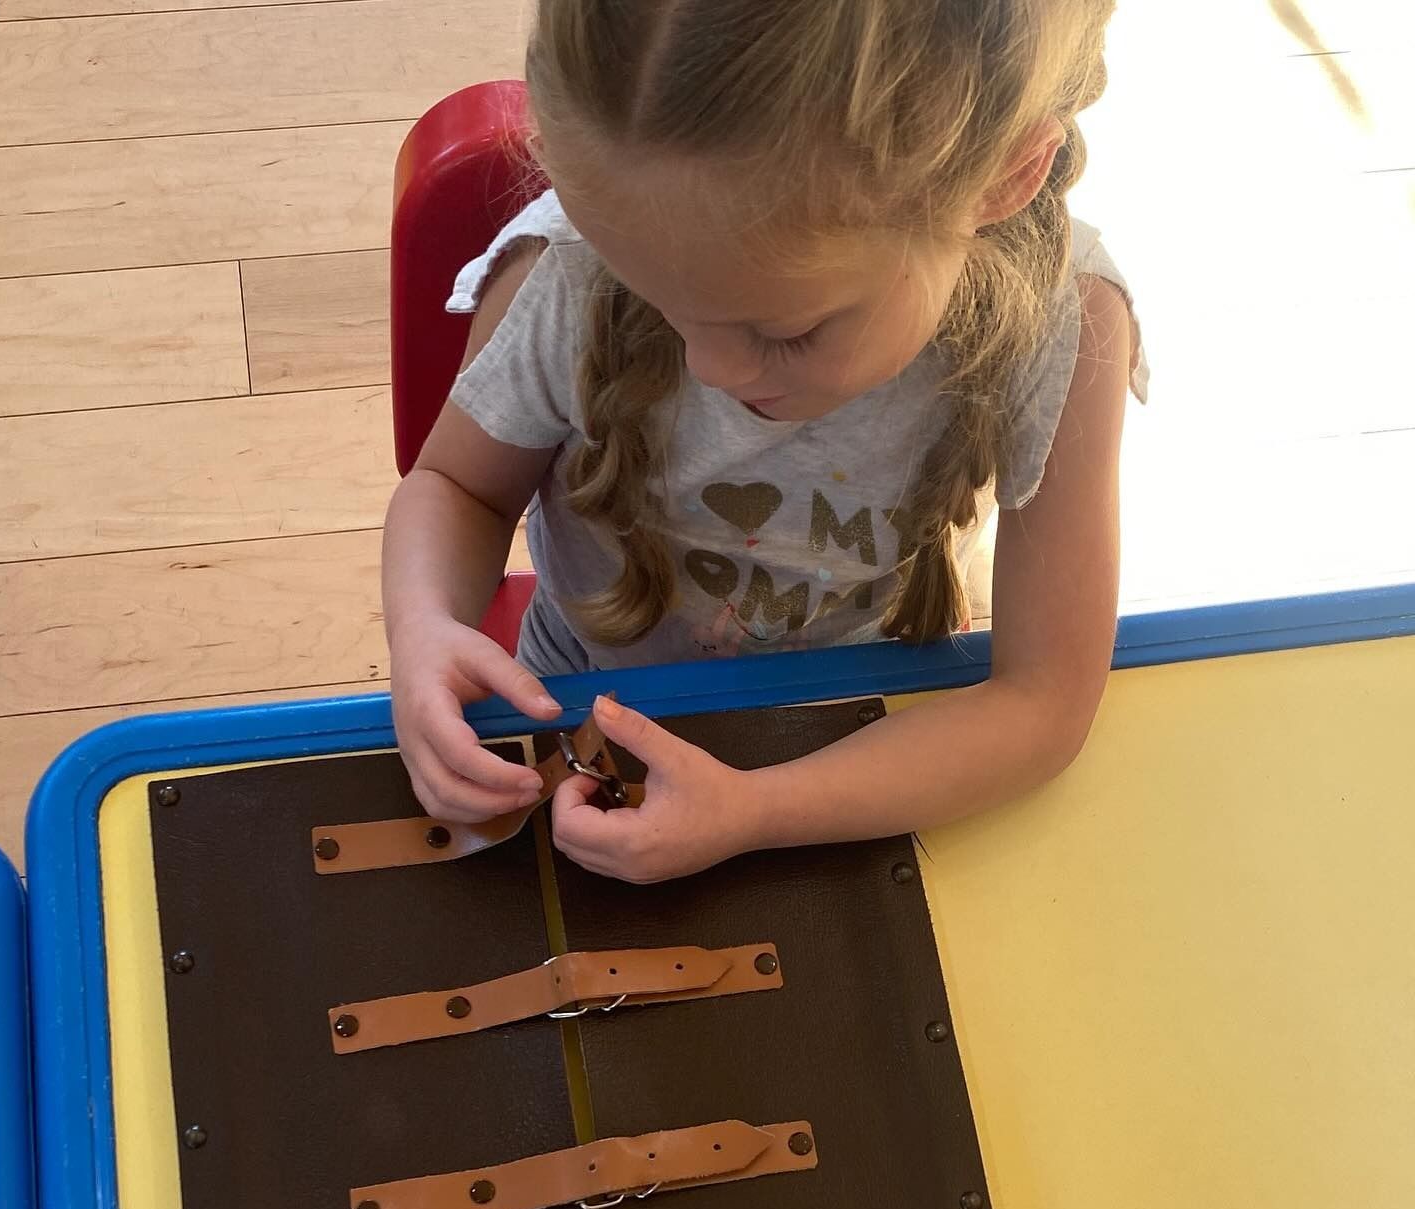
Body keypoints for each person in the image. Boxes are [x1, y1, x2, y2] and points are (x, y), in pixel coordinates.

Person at [382, 0, 1147, 883]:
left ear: (1002, 181)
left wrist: (755, 813)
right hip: (585, 689)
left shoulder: (1068, 320)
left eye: (786, 332)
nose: (708, 368)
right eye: (660, 302)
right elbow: (455, 487)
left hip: (875, 729)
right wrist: (421, 628)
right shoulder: (567, 272)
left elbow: (1043, 701)